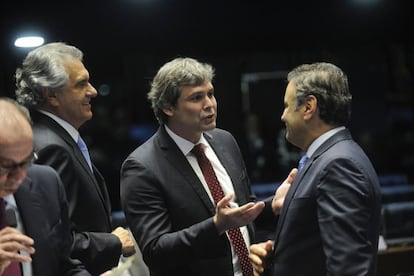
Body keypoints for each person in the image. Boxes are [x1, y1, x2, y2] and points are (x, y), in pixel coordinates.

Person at [120, 57, 270, 276]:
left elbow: (243, 209)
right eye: (197, 97)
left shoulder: (225, 141)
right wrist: (216, 225)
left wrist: (273, 206)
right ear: (168, 107)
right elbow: (155, 250)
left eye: (210, 93)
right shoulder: (142, 167)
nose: (209, 104)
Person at [248, 62, 382, 275]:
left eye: (286, 105)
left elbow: (348, 269)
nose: (282, 116)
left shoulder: (338, 165)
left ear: (309, 107)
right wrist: (278, 256)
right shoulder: (326, 158)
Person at [14, 42, 135, 275]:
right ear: (52, 95)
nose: (93, 91)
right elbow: (53, 240)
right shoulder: (51, 148)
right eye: (81, 84)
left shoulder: (54, 137)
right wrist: (113, 242)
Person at [0, 97, 91, 275]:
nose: (19, 176)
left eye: (26, 162)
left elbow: (65, 266)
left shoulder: (46, 183)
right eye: (5, 166)